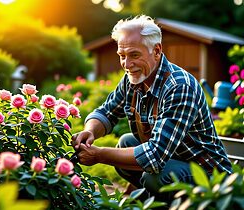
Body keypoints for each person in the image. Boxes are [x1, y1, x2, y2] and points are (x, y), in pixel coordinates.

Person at [71, 15, 232, 201]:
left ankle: (163, 200)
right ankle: (155, 198)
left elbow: (154, 156)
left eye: (134, 55)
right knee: (125, 142)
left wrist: (99, 155)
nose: (126, 64)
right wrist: (89, 131)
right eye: (122, 56)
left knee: (155, 176)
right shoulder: (133, 79)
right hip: (174, 158)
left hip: (209, 176)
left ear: (156, 51)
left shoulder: (179, 87)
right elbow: (106, 111)